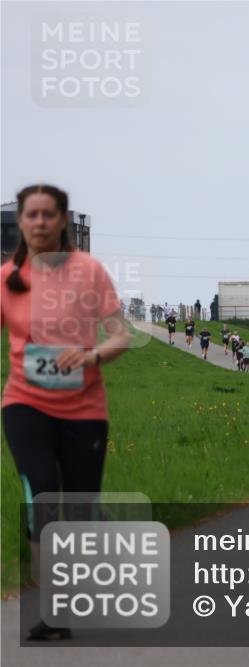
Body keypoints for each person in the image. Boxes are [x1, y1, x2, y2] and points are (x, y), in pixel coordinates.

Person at [1, 184, 131, 641]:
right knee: (42, 498)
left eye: (47, 215)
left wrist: (92, 355)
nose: (39, 223)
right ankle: (54, 610)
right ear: (21, 222)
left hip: (84, 409)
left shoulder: (89, 272)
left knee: (79, 507)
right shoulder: (7, 278)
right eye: (31, 215)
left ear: (62, 222)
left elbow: (120, 335)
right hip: (24, 403)